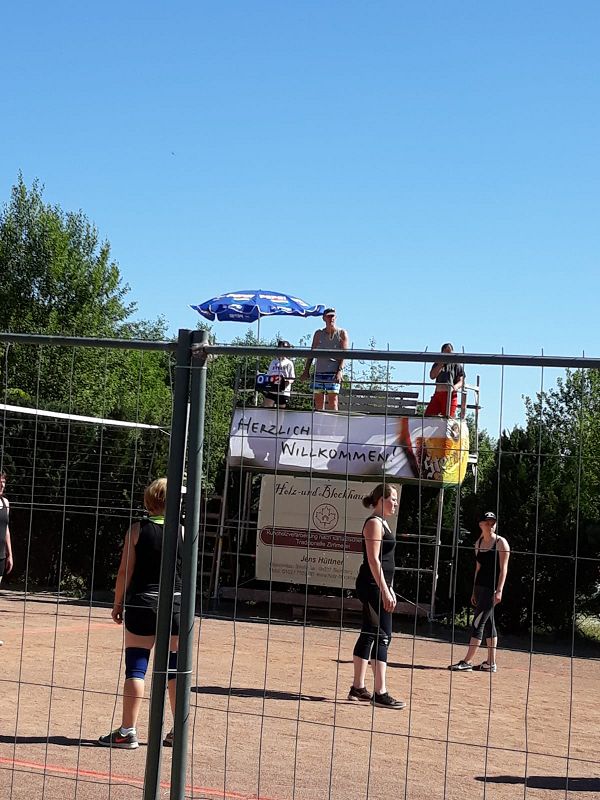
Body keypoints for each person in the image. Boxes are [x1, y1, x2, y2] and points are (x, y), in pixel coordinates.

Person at [99, 478, 181, 749]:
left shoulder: (136, 530)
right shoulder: (182, 530)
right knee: (174, 669)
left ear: (150, 500)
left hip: (143, 603)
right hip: (176, 605)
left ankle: (127, 731)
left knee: (136, 667)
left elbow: (125, 571)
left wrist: (117, 604)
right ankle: (178, 731)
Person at [349, 483, 406, 709]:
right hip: (372, 586)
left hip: (378, 585)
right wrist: (384, 589)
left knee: (369, 633)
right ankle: (380, 693)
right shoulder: (374, 523)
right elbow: (373, 560)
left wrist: (389, 587)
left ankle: (357, 687)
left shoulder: (383, 522)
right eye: (393, 499)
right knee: (383, 635)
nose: (396, 503)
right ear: (381, 499)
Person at [449, 511, 510, 673]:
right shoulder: (478, 543)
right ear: (481, 525)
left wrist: (499, 590)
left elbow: (503, 569)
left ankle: (467, 661)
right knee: (489, 624)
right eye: (487, 523)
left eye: (493, 523)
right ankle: (491, 663)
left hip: (491, 590)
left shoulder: (501, 543)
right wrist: (473, 591)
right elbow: (478, 568)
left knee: (477, 623)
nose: (491, 526)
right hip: (480, 588)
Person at [300, 308, 349, 411]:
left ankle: (333, 421)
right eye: (329, 316)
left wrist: (340, 371)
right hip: (319, 370)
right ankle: (319, 420)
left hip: (333, 372)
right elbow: (312, 352)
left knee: (333, 400)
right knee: (318, 400)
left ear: (336, 317)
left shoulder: (341, 333)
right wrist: (306, 370)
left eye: (333, 316)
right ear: (324, 318)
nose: (331, 318)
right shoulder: (318, 333)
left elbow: (344, 354)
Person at [424, 343, 465, 417]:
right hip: (438, 395)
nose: (448, 355)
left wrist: (454, 387)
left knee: (447, 418)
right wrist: (441, 363)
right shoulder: (437, 363)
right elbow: (432, 376)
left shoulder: (457, 365)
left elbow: (461, 381)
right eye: (446, 353)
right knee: (428, 416)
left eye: (450, 353)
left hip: (450, 395)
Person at [0, 470, 14, 647]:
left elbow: (6, 529)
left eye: (3, 482)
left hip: (1, 555)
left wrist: (10, 554)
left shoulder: (5, 503)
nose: (2, 485)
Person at [262, 340, 295, 408]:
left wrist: (285, 382)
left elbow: (292, 378)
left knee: (281, 411)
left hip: (283, 391)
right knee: (266, 407)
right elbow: (269, 375)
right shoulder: (273, 362)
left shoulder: (289, 363)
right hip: (272, 390)